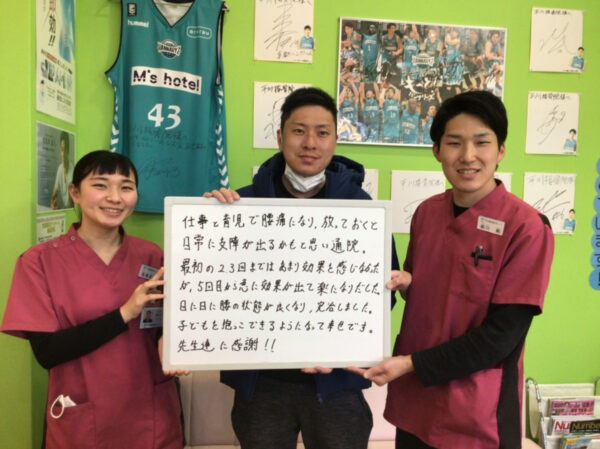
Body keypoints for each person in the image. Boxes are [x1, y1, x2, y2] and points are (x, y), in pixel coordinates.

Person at [350, 91, 554, 449]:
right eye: (455, 143)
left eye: (481, 142)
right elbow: (438, 295)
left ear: (500, 151)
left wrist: (409, 364)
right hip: (416, 406)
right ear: (437, 151)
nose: (468, 156)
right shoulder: (427, 213)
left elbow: (500, 337)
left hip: (477, 414)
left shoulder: (526, 227)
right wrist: (408, 283)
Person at [205, 87, 399, 449]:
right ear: (280, 138)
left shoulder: (362, 209)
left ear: (335, 140)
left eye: (322, 132)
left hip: (336, 385)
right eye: (299, 131)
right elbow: (213, 288)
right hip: (262, 385)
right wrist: (207, 224)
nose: (310, 143)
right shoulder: (242, 204)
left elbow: (382, 297)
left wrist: (336, 344)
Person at [1, 151, 184, 449]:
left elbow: (167, 324)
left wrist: (171, 341)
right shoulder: (38, 262)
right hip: (81, 419)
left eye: (126, 187)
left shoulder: (152, 255)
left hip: (151, 415)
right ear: (74, 193)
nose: (115, 197)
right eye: (100, 185)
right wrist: (124, 313)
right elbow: (47, 352)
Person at [50, 131, 74, 210]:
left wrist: (59, 209)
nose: (63, 154)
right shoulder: (60, 169)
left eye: (65, 150)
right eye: (62, 150)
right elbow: (54, 195)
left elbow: (70, 206)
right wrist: (53, 203)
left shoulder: (72, 172)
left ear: (68, 152)